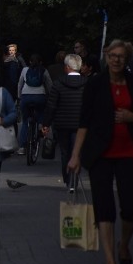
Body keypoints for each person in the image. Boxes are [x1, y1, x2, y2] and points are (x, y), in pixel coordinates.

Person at [67, 40, 133, 264]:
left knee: (132, 206)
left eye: (121, 57)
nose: (116, 60)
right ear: (106, 56)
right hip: (100, 153)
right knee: (104, 207)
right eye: (112, 55)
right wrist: (75, 156)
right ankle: (110, 262)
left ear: (127, 59)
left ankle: (123, 244)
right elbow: (84, 122)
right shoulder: (95, 84)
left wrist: (132, 117)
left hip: (129, 151)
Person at [41, 54, 88, 189]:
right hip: (80, 125)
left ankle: (68, 180)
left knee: (64, 152)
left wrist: (46, 124)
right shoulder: (87, 84)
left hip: (62, 124)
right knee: (76, 152)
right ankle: (74, 179)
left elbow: (51, 105)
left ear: (67, 67)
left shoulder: (58, 83)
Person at [16, 53, 52, 155]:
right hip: (40, 97)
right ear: (41, 62)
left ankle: (22, 147)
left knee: (25, 120)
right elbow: (50, 85)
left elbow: (20, 84)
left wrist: (19, 97)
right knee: (41, 113)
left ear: (30, 62)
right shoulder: (44, 70)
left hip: (26, 97)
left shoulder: (24, 70)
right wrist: (49, 96)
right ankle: (40, 128)